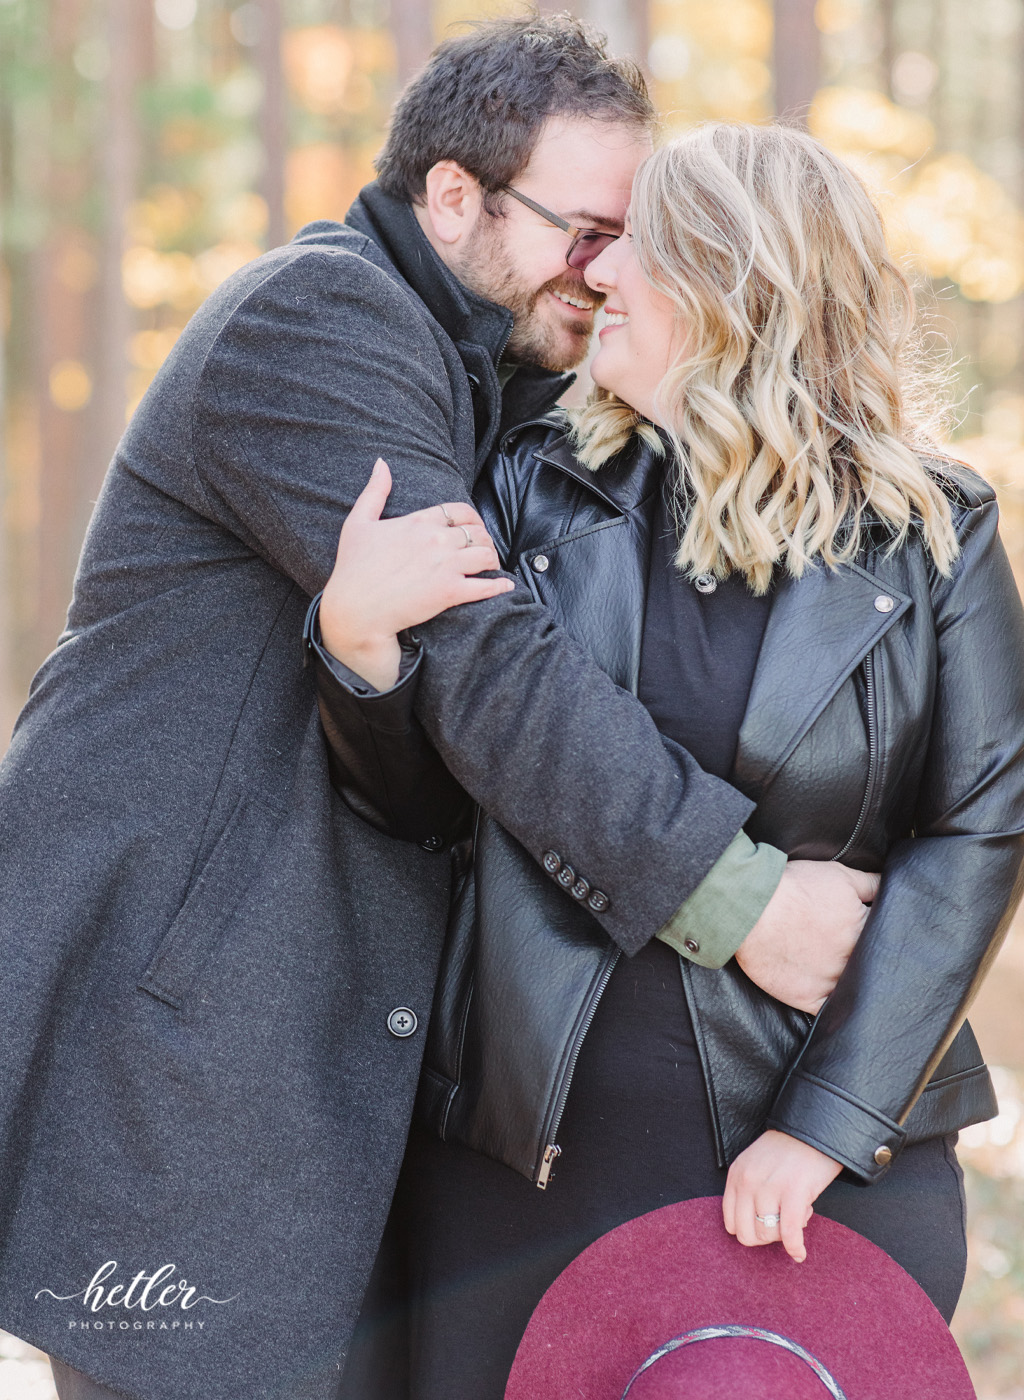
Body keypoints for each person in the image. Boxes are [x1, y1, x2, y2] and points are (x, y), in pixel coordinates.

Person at [0, 18, 869, 1400]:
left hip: (319, 1042)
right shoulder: (319, 323)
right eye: (581, 229)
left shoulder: (496, 377)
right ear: (453, 196)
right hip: (183, 1028)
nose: (608, 270)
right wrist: (735, 895)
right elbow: (491, 661)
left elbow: (417, 727)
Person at [310, 122, 1024, 1399]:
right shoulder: (525, 484)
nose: (598, 272)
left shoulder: (935, 530)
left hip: (825, 1163)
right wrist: (363, 654)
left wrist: (825, 1128)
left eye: (635, 242)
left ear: (730, 284)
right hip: (529, 1154)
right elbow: (427, 804)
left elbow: (980, 830)